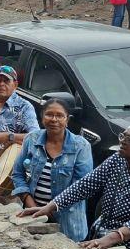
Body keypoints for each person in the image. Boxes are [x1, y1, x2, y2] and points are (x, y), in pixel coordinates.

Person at [20, 121, 130, 249]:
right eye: (123, 136)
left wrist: (114, 237)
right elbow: (85, 185)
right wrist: (51, 206)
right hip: (106, 231)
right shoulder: (117, 160)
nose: (123, 141)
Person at [11, 99, 92, 241]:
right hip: (33, 217)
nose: (54, 119)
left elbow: (82, 187)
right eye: (49, 114)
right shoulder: (31, 139)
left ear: (67, 119)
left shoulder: (80, 146)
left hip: (68, 223)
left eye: (60, 115)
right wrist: (31, 205)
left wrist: (50, 209)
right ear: (42, 117)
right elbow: (17, 174)